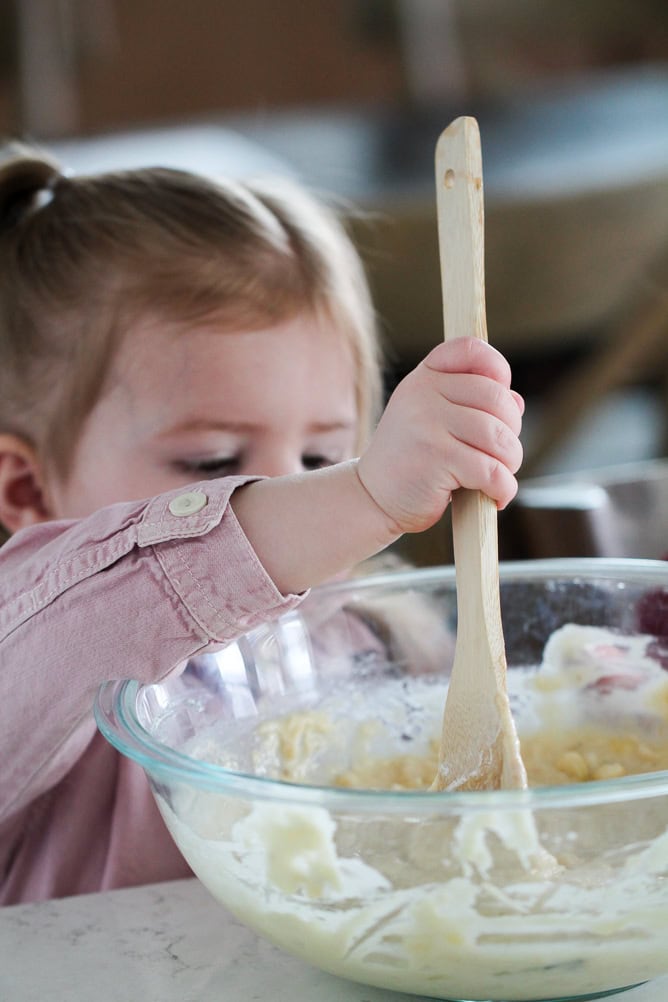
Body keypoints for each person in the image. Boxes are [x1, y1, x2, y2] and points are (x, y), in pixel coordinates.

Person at [0, 140, 524, 904]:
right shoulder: (32, 648)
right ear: (25, 485)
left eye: (322, 458)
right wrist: (363, 498)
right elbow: (99, 611)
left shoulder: (374, 643)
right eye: (213, 466)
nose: (290, 495)